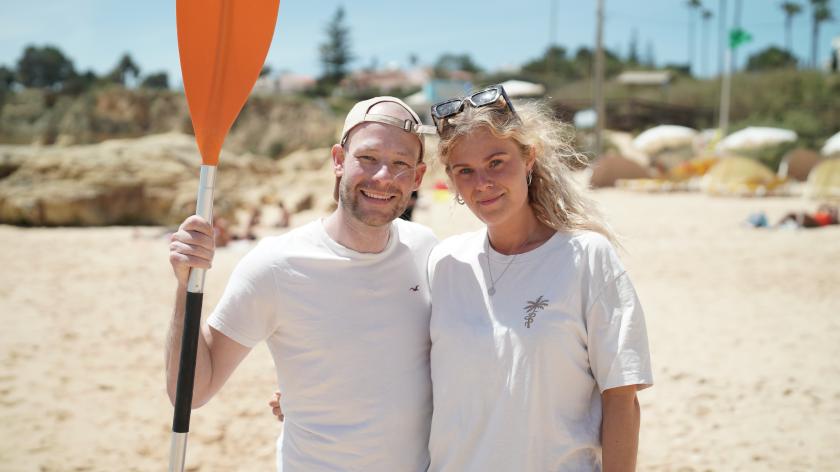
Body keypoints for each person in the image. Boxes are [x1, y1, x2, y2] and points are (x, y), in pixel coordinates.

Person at [166, 96, 436, 471]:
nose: (383, 177)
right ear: (339, 160)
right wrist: (185, 287)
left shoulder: (428, 251)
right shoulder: (276, 265)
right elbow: (191, 392)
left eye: (401, 164)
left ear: (418, 177)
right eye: (368, 158)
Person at [426, 85, 653, 471]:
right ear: (452, 180)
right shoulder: (444, 262)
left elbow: (622, 397)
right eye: (465, 171)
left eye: (496, 162)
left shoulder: (586, 257)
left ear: (529, 158)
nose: (482, 183)